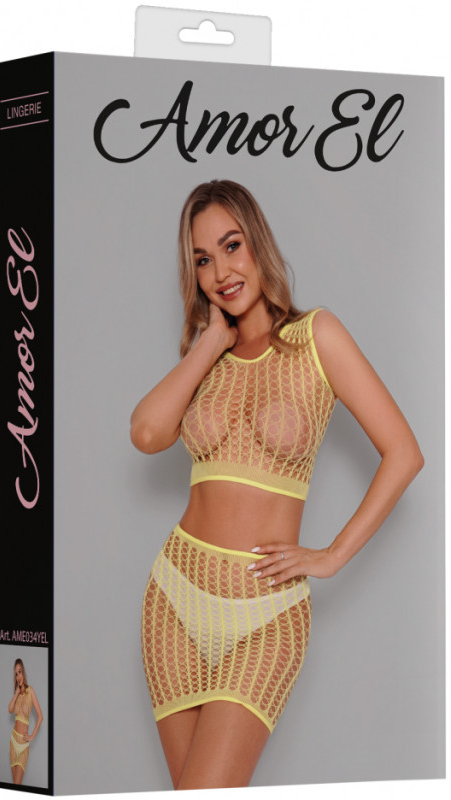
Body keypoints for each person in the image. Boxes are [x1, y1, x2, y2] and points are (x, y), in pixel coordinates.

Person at [131, 179, 423, 790]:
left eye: (231, 246)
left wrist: (332, 555)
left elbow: (403, 453)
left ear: (257, 241)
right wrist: (212, 340)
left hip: (267, 615)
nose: (220, 272)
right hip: (175, 600)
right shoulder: (207, 357)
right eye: (202, 260)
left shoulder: (317, 336)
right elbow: (147, 433)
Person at [8, 658, 43, 784]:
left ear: (23, 672)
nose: (18, 676)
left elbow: (40, 716)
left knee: (17, 784)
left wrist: (32, 736)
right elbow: (10, 710)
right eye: (16, 674)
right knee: (14, 787)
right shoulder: (16, 694)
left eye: (20, 672)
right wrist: (16, 693)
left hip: (23, 746)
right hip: (13, 742)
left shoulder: (30, 691)